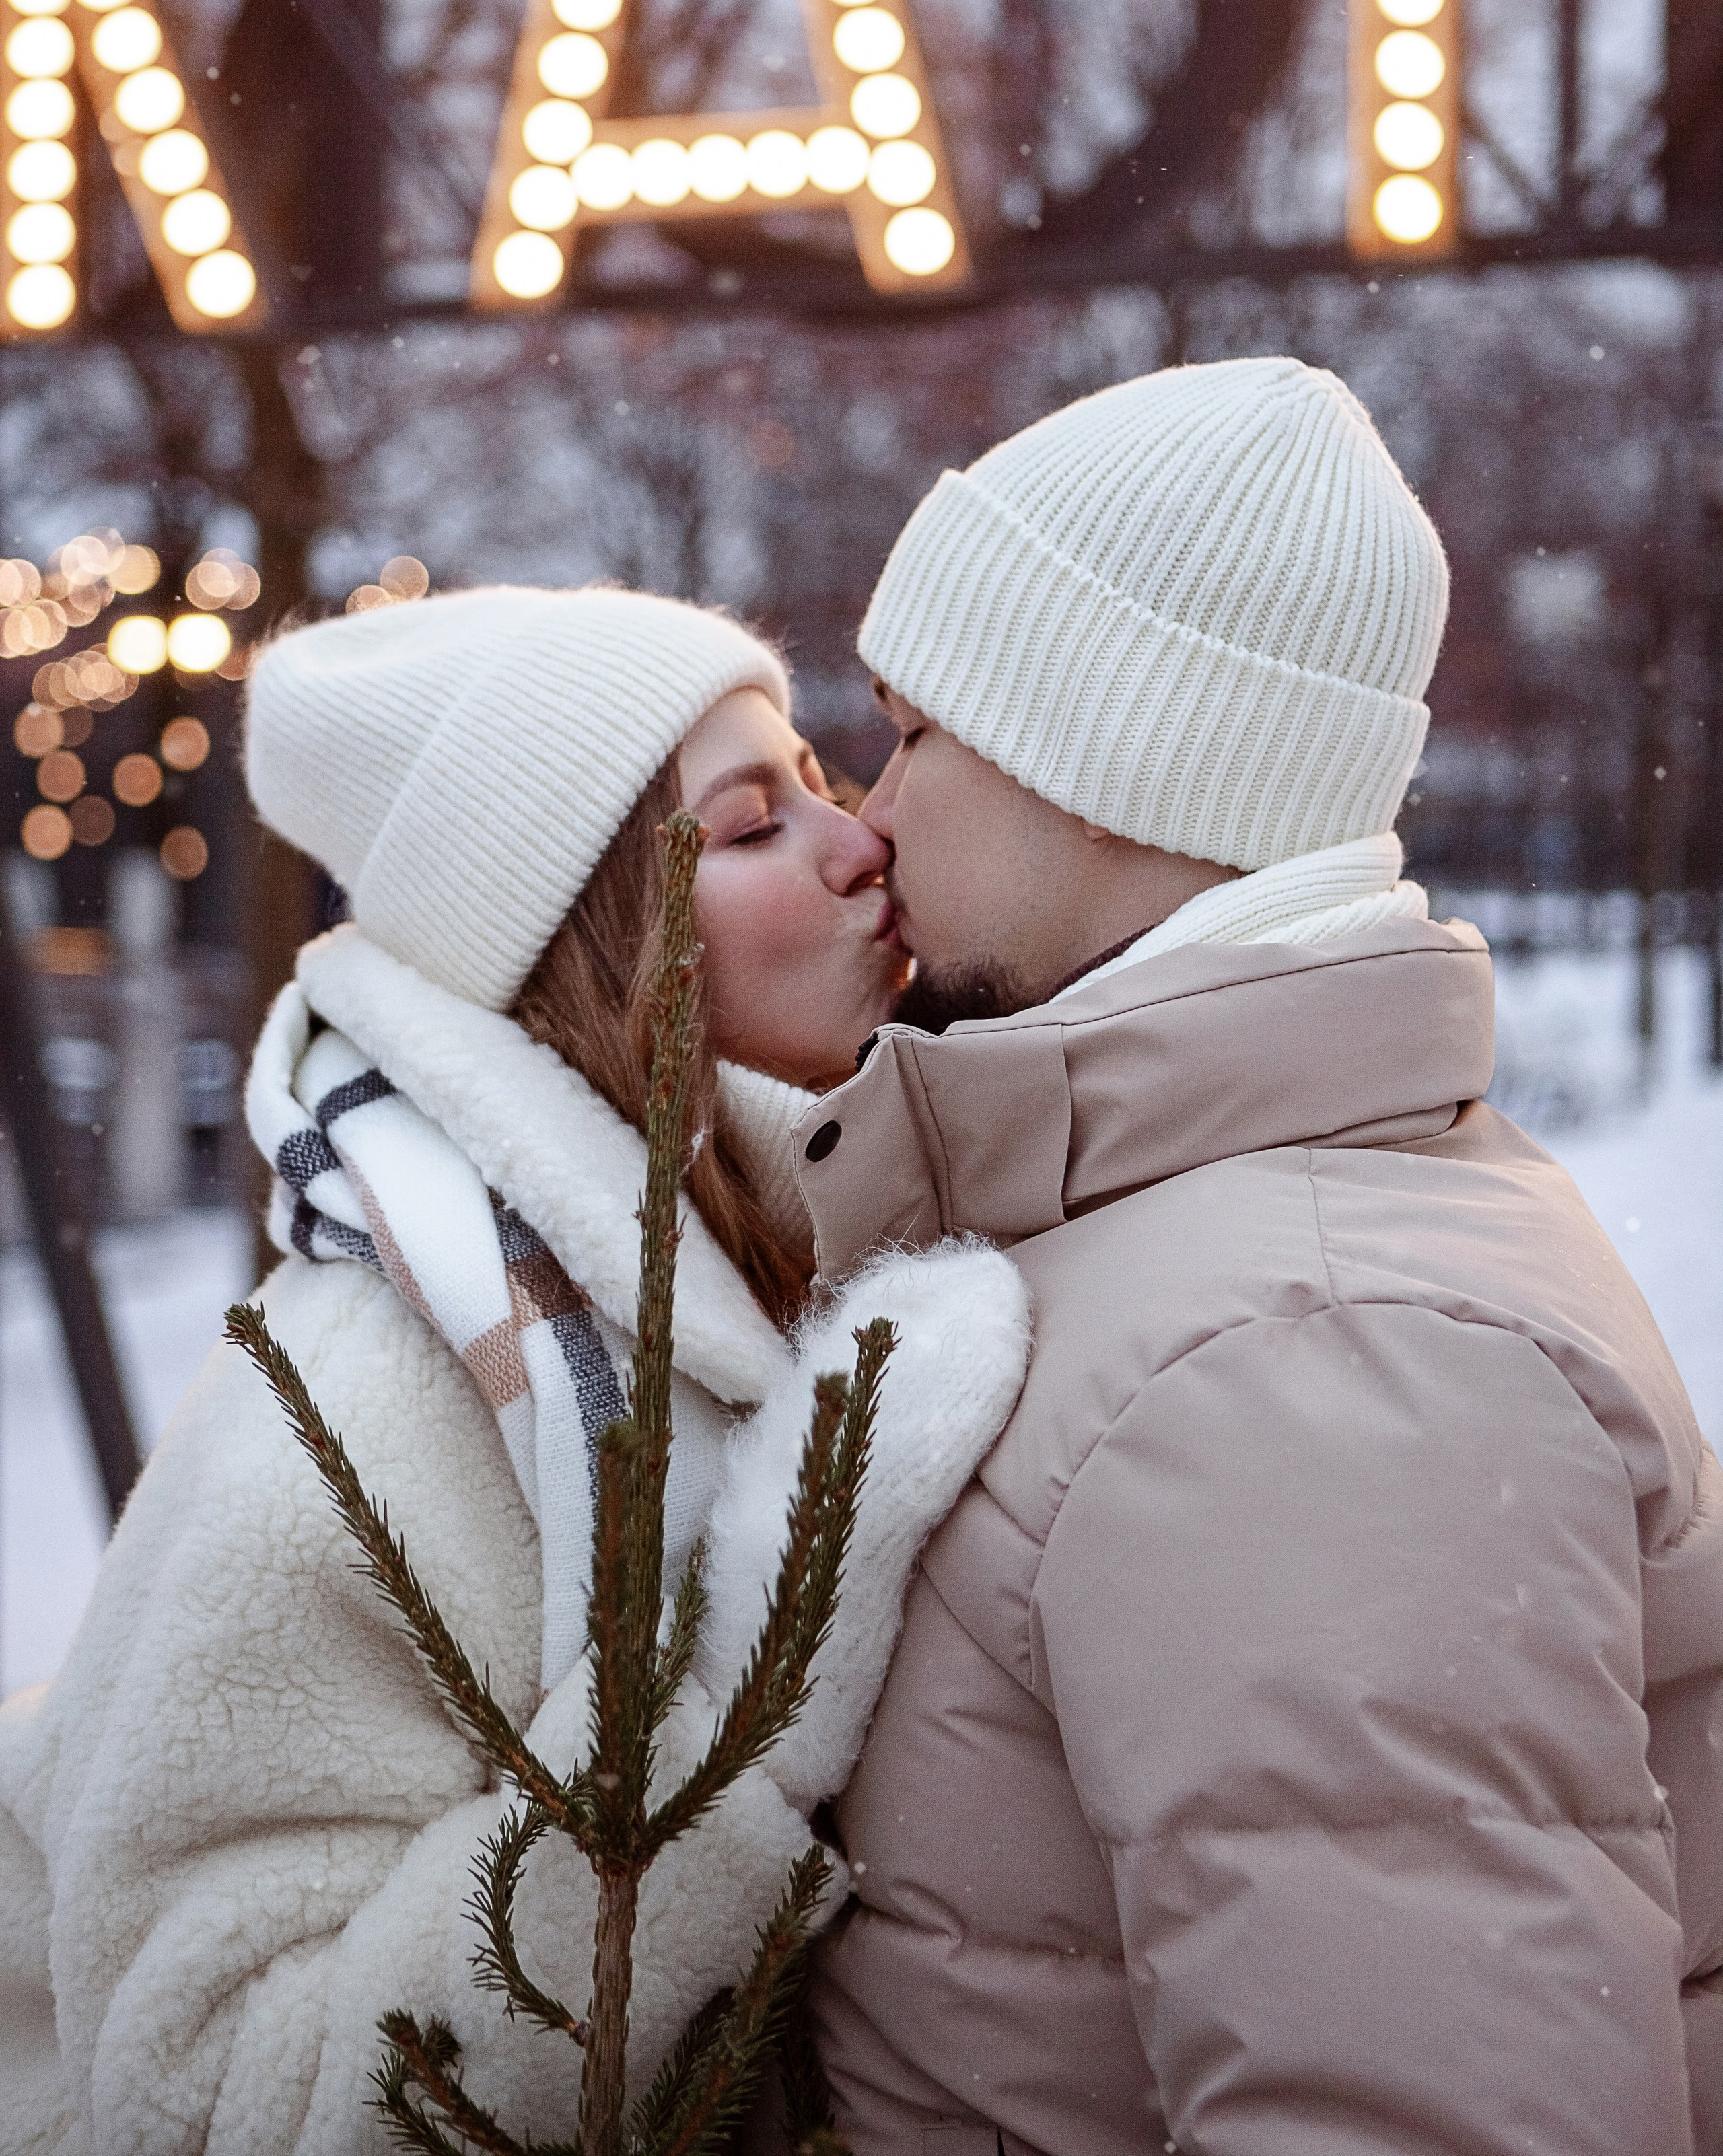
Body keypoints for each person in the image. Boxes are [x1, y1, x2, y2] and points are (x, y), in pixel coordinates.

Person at [791, 357, 1723, 2156]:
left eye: (916, 733)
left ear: (1111, 760)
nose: (874, 815)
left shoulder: (1308, 1352)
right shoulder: (1186, 1242)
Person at [0, 583, 1030, 2155]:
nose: (856, 846)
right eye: (750, 826)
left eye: (818, 786)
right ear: (585, 950)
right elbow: (202, 2106)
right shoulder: (361, 1408)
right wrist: (735, 1710)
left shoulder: (768, 1276)